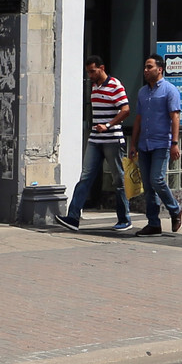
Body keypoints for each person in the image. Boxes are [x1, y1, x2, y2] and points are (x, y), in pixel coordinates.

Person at [54, 56, 133, 234]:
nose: (90, 75)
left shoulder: (115, 85)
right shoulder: (95, 86)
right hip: (95, 140)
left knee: (118, 179)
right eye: (88, 72)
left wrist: (108, 125)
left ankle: (124, 218)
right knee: (85, 177)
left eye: (92, 71)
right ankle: (73, 217)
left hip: (112, 139)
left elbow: (126, 110)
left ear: (102, 67)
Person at [129, 52, 182, 235]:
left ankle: (175, 210)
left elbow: (175, 117)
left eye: (149, 67)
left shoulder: (170, 90)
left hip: (161, 143)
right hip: (144, 144)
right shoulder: (143, 92)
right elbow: (138, 118)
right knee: (148, 185)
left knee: (157, 179)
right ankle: (153, 223)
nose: (145, 70)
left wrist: (174, 143)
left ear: (160, 69)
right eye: (145, 67)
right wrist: (133, 144)